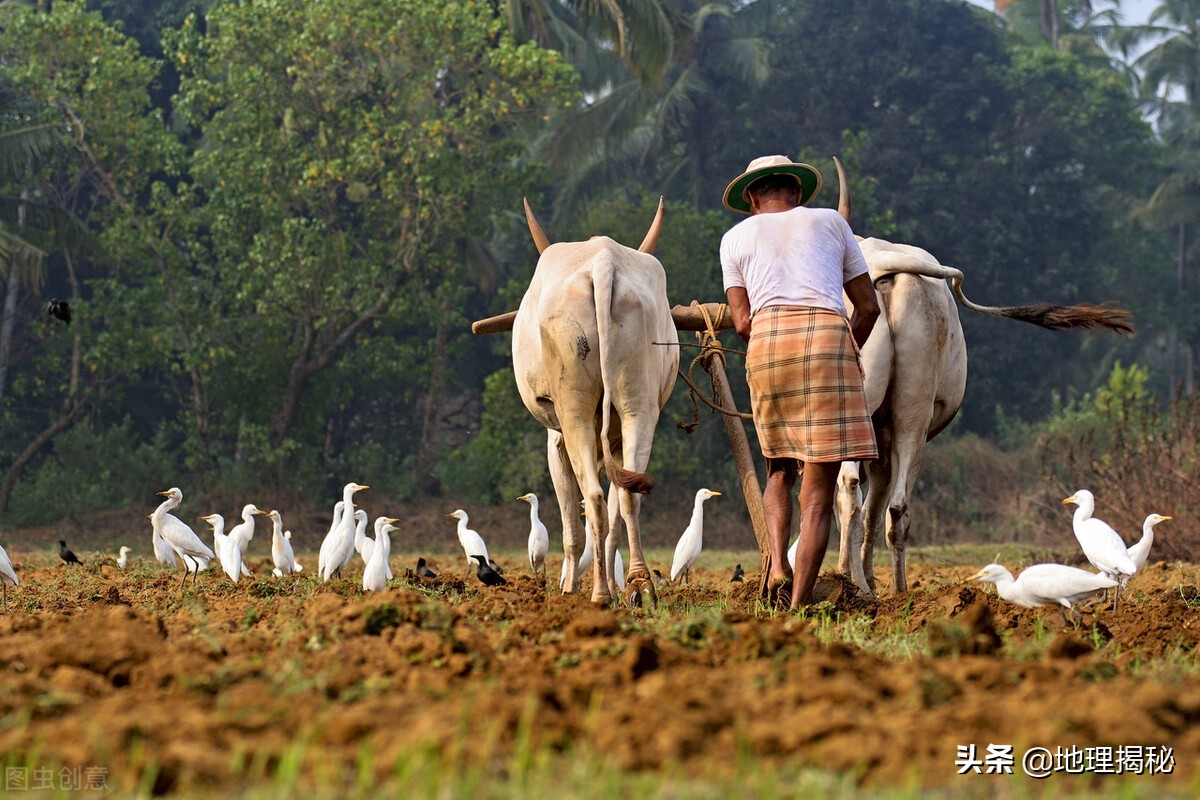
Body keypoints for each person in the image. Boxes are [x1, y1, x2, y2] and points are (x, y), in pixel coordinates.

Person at [719, 154, 880, 608]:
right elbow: (868, 308)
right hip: (829, 341)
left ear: (752, 197)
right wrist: (844, 348)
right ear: (797, 192)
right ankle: (797, 606)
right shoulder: (832, 222)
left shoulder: (734, 238)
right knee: (818, 496)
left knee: (778, 465)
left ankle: (777, 566)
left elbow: (742, 321)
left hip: (768, 346)